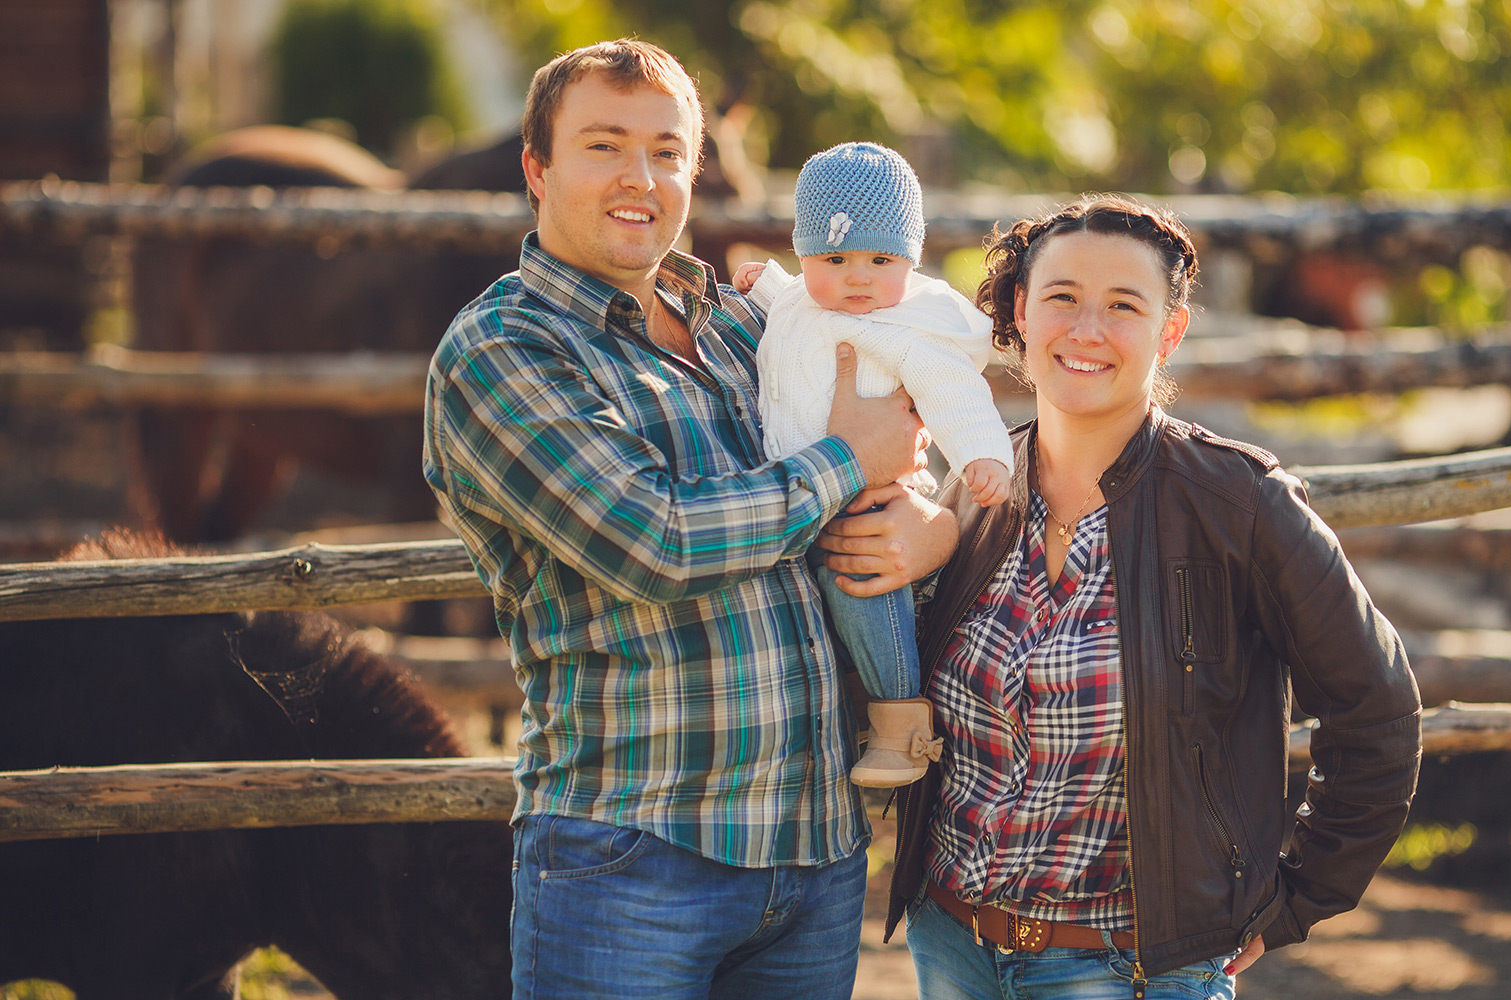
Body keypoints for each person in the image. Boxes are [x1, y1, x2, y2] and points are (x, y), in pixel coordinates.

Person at [421, 39, 954, 1000]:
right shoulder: (503, 349)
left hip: (814, 853)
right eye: (604, 146)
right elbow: (655, 541)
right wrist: (847, 463)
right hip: (634, 853)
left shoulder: (748, 323)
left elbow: (901, 427)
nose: (642, 177)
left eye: (668, 151)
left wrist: (925, 522)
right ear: (537, 170)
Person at [877, 195, 1423, 999]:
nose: (1087, 329)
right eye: (1061, 297)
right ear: (1022, 312)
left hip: (1131, 967)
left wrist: (1295, 899)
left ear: (1170, 330)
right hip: (950, 942)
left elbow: (1377, 709)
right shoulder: (974, 488)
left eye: (1123, 306)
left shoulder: (1240, 506)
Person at [732, 141, 1013, 789]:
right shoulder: (811, 300)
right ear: (805, 256)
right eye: (835, 259)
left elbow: (956, 397)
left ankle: (901, 723)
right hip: (800, 498)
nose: (858, 277)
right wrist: (767, 284)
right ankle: (851, 713)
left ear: (910, 262)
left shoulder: (909, 329)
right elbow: (797, 310)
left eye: (881, 260)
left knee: (860, 587)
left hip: (870, 500)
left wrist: (983, 456)